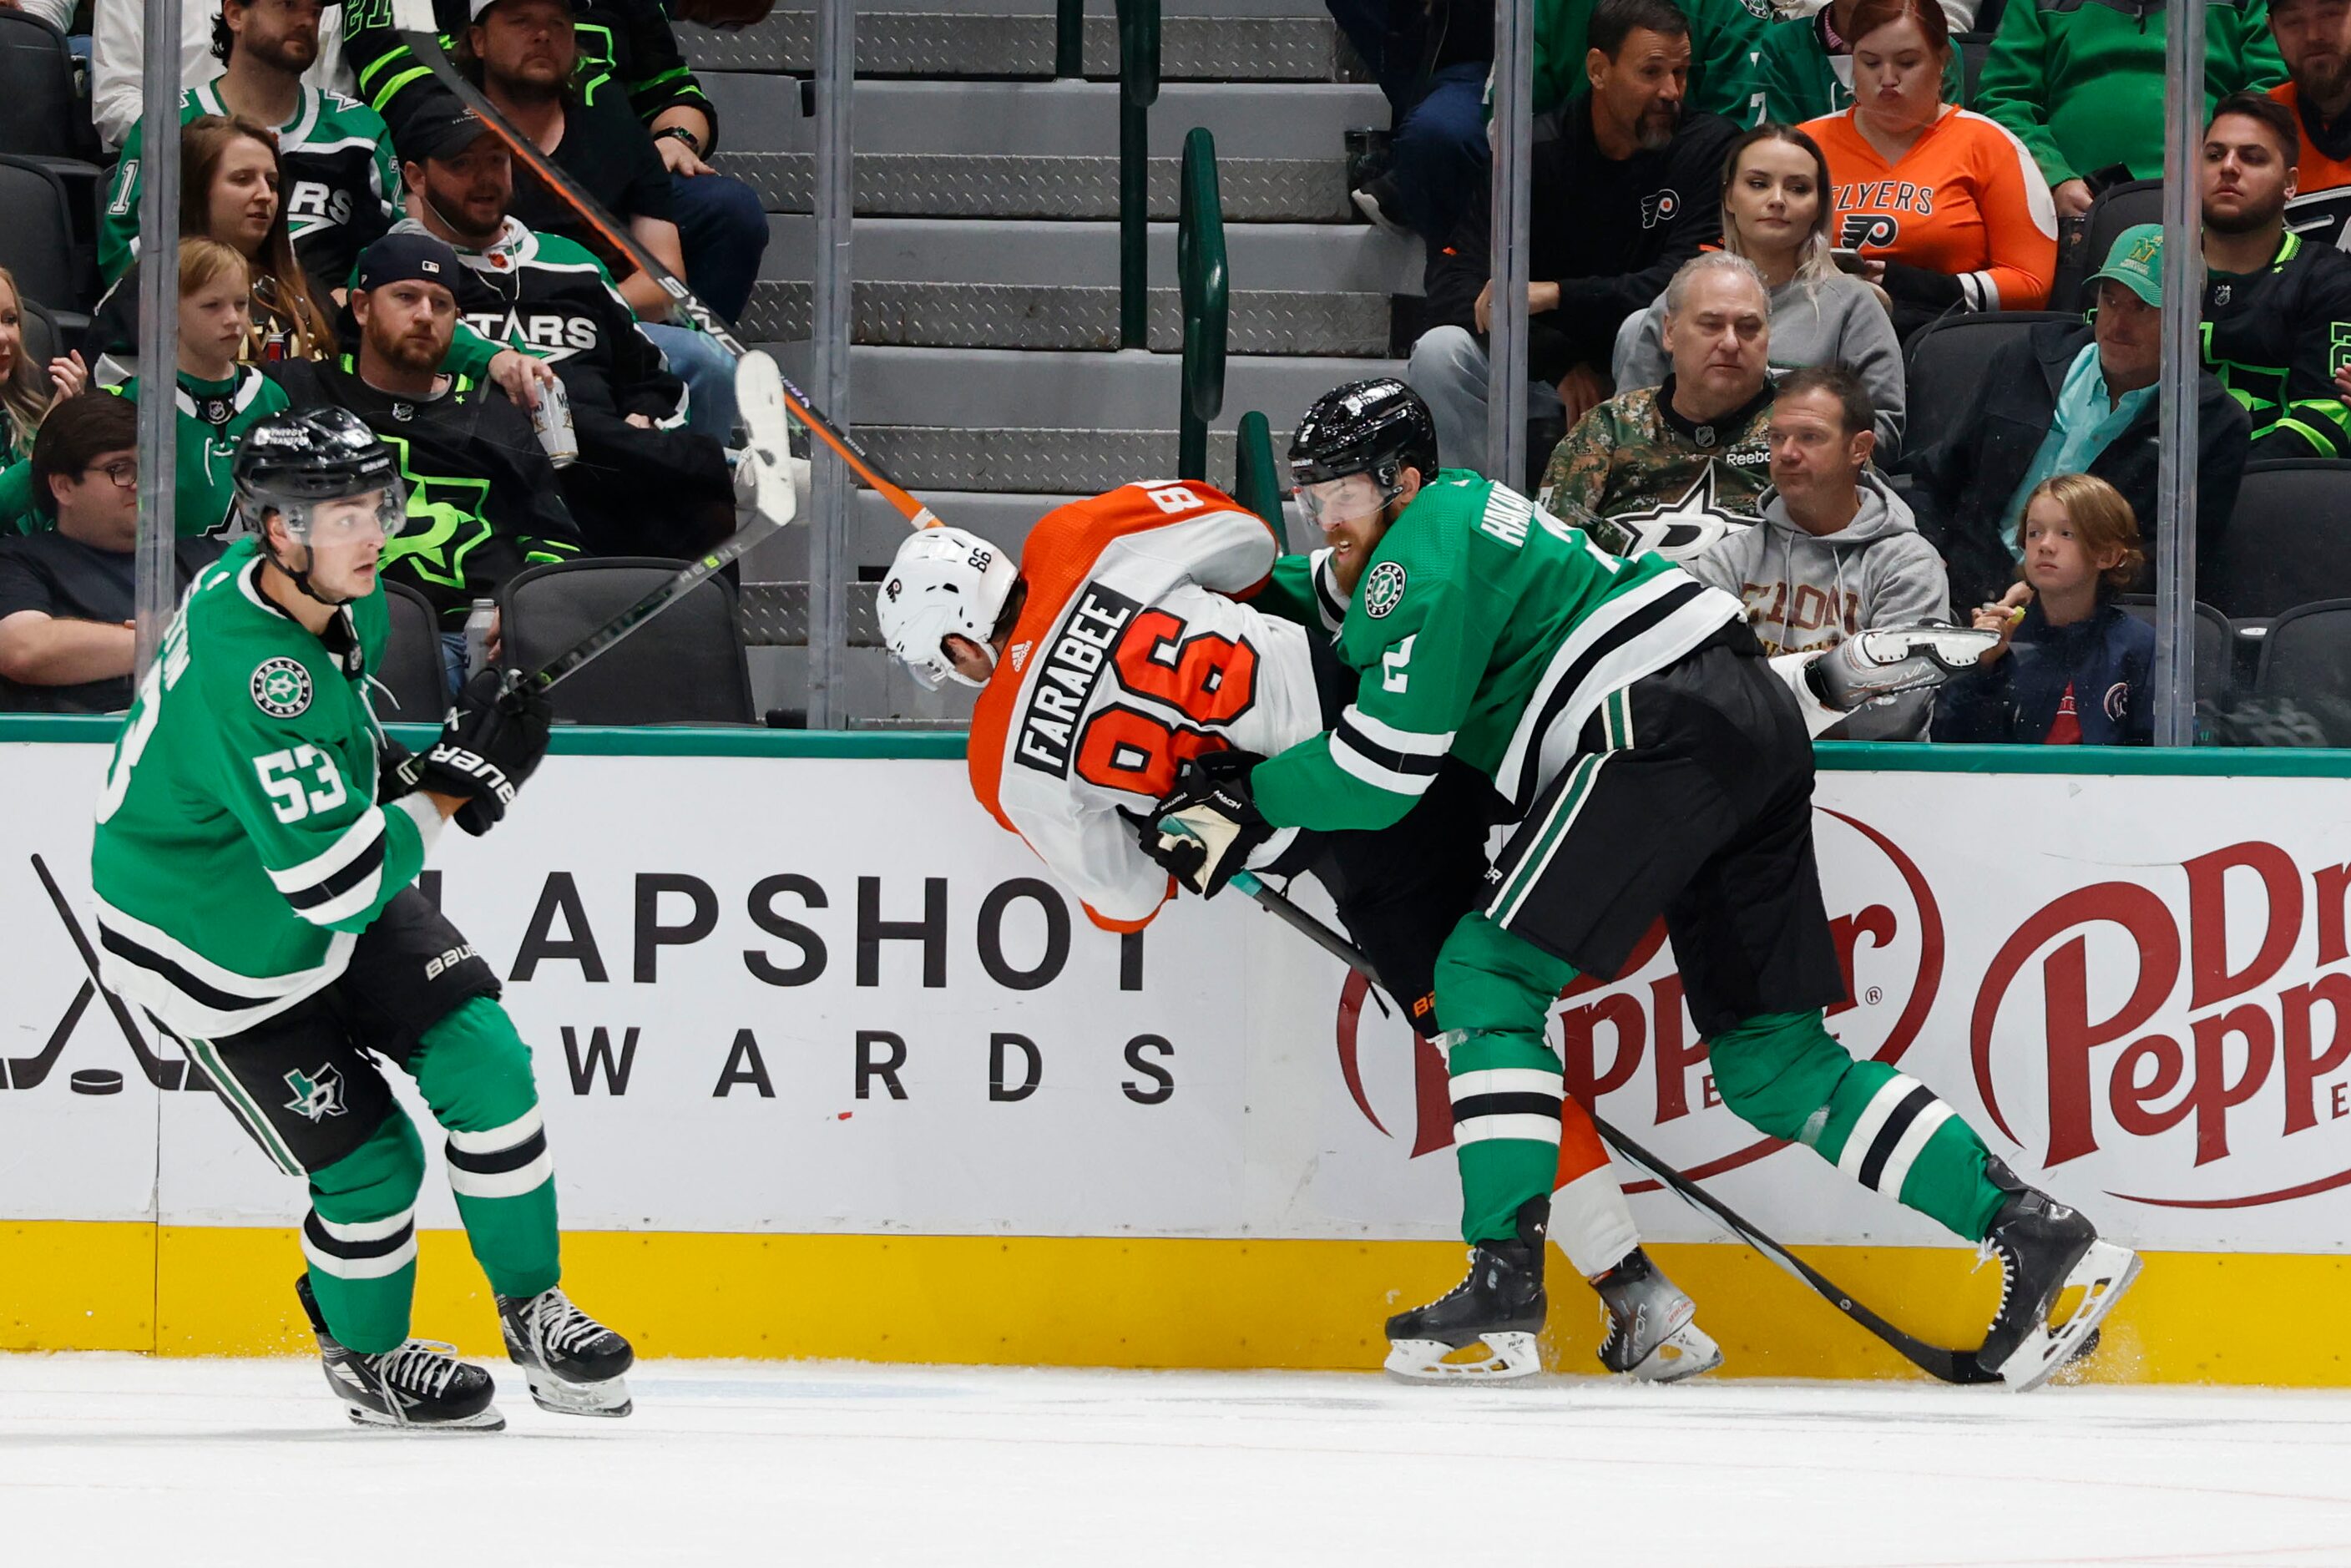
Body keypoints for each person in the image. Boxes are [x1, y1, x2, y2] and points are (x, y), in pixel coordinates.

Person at [1133, 377, 2139, 1389]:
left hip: (1647, 726)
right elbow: (1345, 599)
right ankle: (2032, 1227)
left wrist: (1245, 798)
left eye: (1338, 495)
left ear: (1398, 480)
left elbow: (1385, 767)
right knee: (1775, 1069)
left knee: (1480, 979)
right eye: (1310, 500)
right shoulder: (1445, 518)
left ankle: (1504, 1280)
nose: (1323, 518)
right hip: (1748, 720)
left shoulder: (1420, 553)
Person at [873, 468, 1727, 1384]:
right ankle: (1777, 691)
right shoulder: (1082, 532)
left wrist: (1141, 809)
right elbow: (1243, 543)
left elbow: (1124, 898)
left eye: (946, 665)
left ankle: (1575, 1297)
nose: (958, 680)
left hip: (1340, 826)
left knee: (1482, 1042)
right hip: (1398, 701)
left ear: (962, 642)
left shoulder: (1001, 760)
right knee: (1556, 787)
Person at [88, 406, 633, 1431]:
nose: (374, 530)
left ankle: (531, 1306)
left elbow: (340, 764)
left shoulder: (346, 595)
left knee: (485, 1061)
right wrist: (453, 794)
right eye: (345, 513)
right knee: (376, 1166)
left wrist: (425, 770)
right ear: (276, 529)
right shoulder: (251, 667)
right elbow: (336, 885)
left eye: (378, 503)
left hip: (309, 879)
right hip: (213, 950)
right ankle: (371, 1358)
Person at [346, 0, 739, 435]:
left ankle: (713, 475)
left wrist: (578, 311)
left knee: (706, 359)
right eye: (520, 21)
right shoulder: (436, 125)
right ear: (477, 39)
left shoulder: (614, 124)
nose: (542, 35)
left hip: (581, 329)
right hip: (469, 335)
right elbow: (412, 257)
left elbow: (664, 285)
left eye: (557, 23)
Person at [387, 104, 736, 559]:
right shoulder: (397, 264)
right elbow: (386, 350)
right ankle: (727, 468)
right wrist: (494, 361)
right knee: (529, 411)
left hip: (605, 479)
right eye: (461, 164)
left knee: (697, 514)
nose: (485, 177)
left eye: (496, 159)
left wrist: (644, 420)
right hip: (476, 471)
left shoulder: (571, 261)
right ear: (417, 178)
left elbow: (649, 373)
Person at [1410, 0, 1741, 472]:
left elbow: (1686, 282)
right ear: (1598, 70)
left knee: (1646, 330)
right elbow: (1453, 278)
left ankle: (1633, 512)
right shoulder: (1534, 151)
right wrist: (1556, 361)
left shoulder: (1709, 148)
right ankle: (1477, 520)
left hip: (1654, 365)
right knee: (1440, 352)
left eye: (1681, 73)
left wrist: (1556, 295)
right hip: (1546, 372)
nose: (1671, 91)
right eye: (1652, 72)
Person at [270, 232, 582, 695]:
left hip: (475, 639)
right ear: (361, 307)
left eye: (441, 304)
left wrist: (524, 608)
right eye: (405, 297)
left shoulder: (493, 413)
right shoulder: (302, 392)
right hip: (340, 630)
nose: (424, 316)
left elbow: (556, 539)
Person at [1898, 224, 2250, 612]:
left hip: (2082, 620)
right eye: (2111, 301)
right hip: (1957, 589)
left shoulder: (2212, 424)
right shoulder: (2024, 360)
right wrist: (1925, 554)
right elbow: (1935, 478)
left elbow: (2168, 567)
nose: (2117, 325)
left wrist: (2055, 596)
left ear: (2189, 319)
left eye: (2143, 308)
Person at [1681, 365, 1950, 740]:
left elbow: (1894, 712)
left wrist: (1752, 707)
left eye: (1809, 437)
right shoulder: (1731, 558)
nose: (1787, 453)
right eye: (1777, 437)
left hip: (1872, 780)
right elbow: (1690, 684)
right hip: (1746, 773)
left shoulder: (1906, 565)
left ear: (1859, 448)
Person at [1614, 124, 1906, 452]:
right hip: (1679, 486)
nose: (1777, 200)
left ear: (1819, 206)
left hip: (1802, 492)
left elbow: (1883, 430)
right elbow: (1629, 423)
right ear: (1729, 197)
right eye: (1758, 184)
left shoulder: (1853, 304)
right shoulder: (1684, 293)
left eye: (1798, 188)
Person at [102, 0, 400, 299]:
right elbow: (124, 259)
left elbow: (397, 257)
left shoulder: (361, 131)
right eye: (288, 5)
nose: (306, 21)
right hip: (199, 333)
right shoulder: (169, 123)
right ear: (235, 15)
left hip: (329, 338)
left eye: (314, 11)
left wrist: (348, 300)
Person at [1800, 0, 2058, 338]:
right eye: (1870, 62)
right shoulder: (1803, 147)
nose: (1888, 79)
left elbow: (2032, 284)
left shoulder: (1990, 144)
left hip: (1944, 339)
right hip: (1817, 334)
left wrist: (1917, 287)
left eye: (1907, 62)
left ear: (1942, 61)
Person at [3, 241, 294, 538]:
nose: (233, 319)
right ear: (165, 311)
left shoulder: (272, 396)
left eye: (241, 304)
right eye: (212, 306)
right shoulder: (133, 402)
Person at [1540, 253, 1777, 558]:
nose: (1731, 343)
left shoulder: (1802, 429)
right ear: (1669, 332)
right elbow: (1555, 559)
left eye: (1748, 327)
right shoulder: (1608, 429)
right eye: (1711, 325)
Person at [0, 393, 223, 713]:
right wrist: (172, 637)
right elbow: (24, 649)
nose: (140, 483)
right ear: (63, 486)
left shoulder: (207, 558)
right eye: (119, 469)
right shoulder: (18, 562)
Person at [86, 114, 341, 382]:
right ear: (196, 189)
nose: (265, 195)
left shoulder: (306, 289)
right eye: (243, 179)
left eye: (273, 183)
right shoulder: (152, 288)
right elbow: (115, 404)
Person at [1974, 0, 2283, 220]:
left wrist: (2224, 167)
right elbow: (2003, 98)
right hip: (2072, 210)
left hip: (2213, 204)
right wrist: (2054, 179)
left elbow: (2274, 89)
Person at [1933, 473, 2155, 746]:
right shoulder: (2005, 638)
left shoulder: (2139, 646)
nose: (2045, 546)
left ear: (2107, 555)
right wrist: (1983, 668)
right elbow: (1952, 745)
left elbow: (2156, 757)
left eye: (2066, 533)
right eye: (2034, 532)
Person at [2198, 93, 2351, 457]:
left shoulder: (2328, 279)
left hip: (2269, 493)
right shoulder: (2151, 263)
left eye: (2252, 157)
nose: (2229, 167)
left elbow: (2327, 420)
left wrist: (2218, 480)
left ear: (2290, 184)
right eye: (2214, 155)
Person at [1327, 0, 1492, 243]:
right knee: (1431, 134)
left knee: (1434, 135)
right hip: (1449, 57)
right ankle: (1412, 168)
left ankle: (1410, 175)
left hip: (1502, 61)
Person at [91, 0, 350, 152]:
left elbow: (333, 95)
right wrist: (212, 145)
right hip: (182, 170)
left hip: (308, 163)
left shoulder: (322, 8)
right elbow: (116, 102)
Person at [1532, 0, 1774, 124]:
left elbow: (1739, 139)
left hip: (1694, 186)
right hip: (1566, 183)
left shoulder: (1729, 7)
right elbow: (1510, 129)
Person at [1749, 0, 1962, 127]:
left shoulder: (1935, 46)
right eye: (1870, 62)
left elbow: (1942, 145)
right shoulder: (1781, 45)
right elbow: (1774, 153)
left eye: (1907, 62)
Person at [2268, 0, 2351, 244]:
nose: (2313, 35)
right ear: (2272, 30)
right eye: (2293, 21)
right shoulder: (2259, 127)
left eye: (2330, 14)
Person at [0, 266, 90, 465]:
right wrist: (50, 436)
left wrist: (71, 421)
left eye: (9, 320)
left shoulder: (27, 425)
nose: (4, 337)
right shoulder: (44, 431)